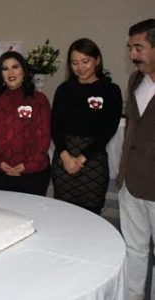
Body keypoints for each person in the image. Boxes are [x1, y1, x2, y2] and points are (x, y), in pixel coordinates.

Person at [51, 38, 122, 215]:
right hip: (64, 160)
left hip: (93, 162)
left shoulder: (110, 90)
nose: (80, 67)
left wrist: (81, 158)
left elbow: (108, 130)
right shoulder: (64, 89)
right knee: (63, 214)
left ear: (97, 60)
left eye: (85, 61)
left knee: (90, 216)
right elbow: (55, 126)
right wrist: (65, 156)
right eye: (74, 63)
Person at [117, 19, 155, 300]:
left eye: (139, 48)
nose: (133, 54)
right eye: (130, 48)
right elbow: (131, 127)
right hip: (131, 182)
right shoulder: (135, 80)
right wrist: (122, 173)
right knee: (134, 248)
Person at [0, 51, 51, 196]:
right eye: (5, 69)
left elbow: (44, 137)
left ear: (24, 71)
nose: (10, 72)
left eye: (15, 67)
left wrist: (26, 166)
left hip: (32, 175)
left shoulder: (39, 100)